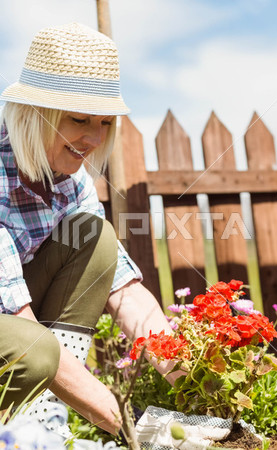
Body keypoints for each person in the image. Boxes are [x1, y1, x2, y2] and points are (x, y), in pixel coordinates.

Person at [0, 22, 180, 436]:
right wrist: (137, 431)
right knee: (37, 352)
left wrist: (190, 374)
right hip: (13, 339)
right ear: (33, 114)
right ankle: (36, 427)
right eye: (80, 119)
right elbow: (22, 329)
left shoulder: (71, 180)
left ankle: (45, 423)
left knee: (97, 239)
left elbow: (124, 289)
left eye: (104, 122)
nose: (95, 138)